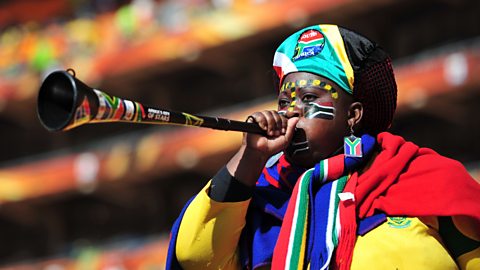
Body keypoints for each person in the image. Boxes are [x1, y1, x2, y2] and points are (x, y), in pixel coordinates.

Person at [166, 24, 480, 269]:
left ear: (353, 114)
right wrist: (251, 155)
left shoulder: (417, 174)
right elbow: (195, 256)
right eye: (285, 102)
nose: (290, 112)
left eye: (309, 99)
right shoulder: (261, 200)